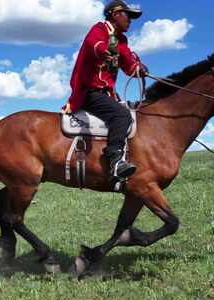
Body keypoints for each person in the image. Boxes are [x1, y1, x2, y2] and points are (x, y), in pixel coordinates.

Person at [62, 0, 148, 179]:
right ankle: (115, 161)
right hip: (89, 92)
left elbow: (128, 64)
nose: (130, 20)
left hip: (107, 95)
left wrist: (138, 69)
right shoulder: (99, 29)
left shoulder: (122, 40)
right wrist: (103, 49)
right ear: (115, 14)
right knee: (121, 115)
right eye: (127, 15)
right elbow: (94, 44)